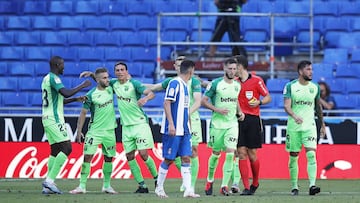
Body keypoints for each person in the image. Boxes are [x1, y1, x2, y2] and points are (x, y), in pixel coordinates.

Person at [81, 62, 158, 193]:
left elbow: (151, 93)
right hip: (126, 126)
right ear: (115, 73)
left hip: (140, 124)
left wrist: (145, 99)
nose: (120, 72)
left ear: (127, 72)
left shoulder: (134, 84)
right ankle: (142, 186)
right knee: (129, 156)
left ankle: (157, 180)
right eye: (117, 70)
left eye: (122, 69)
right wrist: (92, 75)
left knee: (143, 154)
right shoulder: (114, 84)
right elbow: (101, 81)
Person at [147, 56, 202, 194]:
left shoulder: (184, 85)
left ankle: (188, 190)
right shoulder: (174, 83)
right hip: (173, 128)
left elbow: (184, 110)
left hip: (184, 129)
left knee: (186, 157)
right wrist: (171, 124)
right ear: (191, 71)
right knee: (169, 159)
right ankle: (159, 188)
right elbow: (166, 103)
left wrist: (188, 126)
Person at [41, 56, 91, 194]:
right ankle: (49, 181)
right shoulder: (54, 78)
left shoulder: (46, 79)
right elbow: (65, 92)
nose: (64, 67)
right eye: (62, 64)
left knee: (55, 151)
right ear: (57, 65)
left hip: (47, 117)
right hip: (54, 119)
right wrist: (82, 86)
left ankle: (47, 187)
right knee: (67, 148)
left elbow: (58, 101)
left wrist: (75, 99)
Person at [70, 68, 118, 194]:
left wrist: (92, 74)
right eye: (104, 78)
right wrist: (79, 130)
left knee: (108, 158)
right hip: (94, 131)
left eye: (108, 77)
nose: (108, 80)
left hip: (110, 131)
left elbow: (107, 81)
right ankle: (82, 186)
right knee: (87, 157)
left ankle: (106, 186)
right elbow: (83, 113)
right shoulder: (91, 95)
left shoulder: (110, 88)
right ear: (97, 80)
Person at [202, 57, 245, 196]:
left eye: (235, 69)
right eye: (230, 69)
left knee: (230, 153)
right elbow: (204, 101)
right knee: (215, 154)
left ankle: (224, 186)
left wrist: (239, 112)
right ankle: (209, 180)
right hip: (217, 124)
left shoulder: (237, 85)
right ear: (224, 68)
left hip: (232, 124)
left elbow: (235, 100)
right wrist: (217, 109)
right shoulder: (215, 84)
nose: (233, 71)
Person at [283, 60, 326, 196]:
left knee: (311, 154)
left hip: (310, 126)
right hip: (294, 127)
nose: (311, 72)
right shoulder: (290, 86)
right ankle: (294, 186)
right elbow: (287, 106)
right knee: (294, 156)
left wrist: (322, 124)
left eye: (311, 69)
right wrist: (294, 116)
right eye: (308, 69)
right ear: (301, 71)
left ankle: (312, 185)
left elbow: (318, 107)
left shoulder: (315, 87)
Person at [233, 55, 271, 195]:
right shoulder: (234, 82)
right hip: (238, 119)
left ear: (240, 66)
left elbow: (267, 96)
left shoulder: (256, 80)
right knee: (241, 153)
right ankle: (246, 187)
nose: (232, 69)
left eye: (234, 66)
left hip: (253, 120)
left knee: (252, 153)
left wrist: (259, 102)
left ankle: (255, 182)